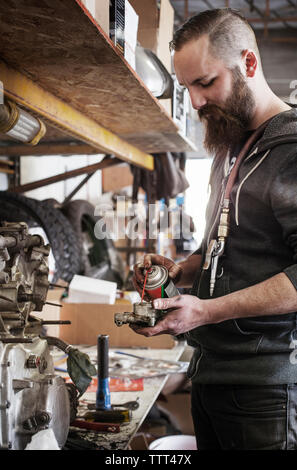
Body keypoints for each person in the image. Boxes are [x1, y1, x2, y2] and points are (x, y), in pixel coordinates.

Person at [132, 8, 297, 450]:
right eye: (187, 88)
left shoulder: (290, 150)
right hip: (212, 372)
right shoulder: (230, 147)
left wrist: (204, 311)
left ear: (248, 64)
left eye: (206, 83)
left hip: (266, 387)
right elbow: (220, 246)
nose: (197, 102)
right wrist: (179, 271)